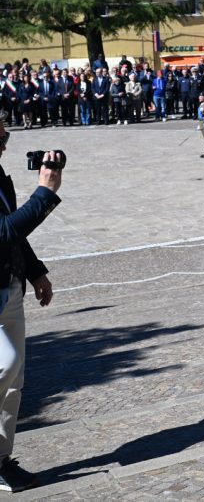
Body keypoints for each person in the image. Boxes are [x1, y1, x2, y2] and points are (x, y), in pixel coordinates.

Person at [0, 115, 61, 492]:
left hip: (10, 286)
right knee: (4, 364)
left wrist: (36, 271)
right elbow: (2, 231)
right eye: (0, 136)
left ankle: (2, 461)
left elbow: (10, 232)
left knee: (13, 381)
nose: (6, 143)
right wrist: (44, 192)